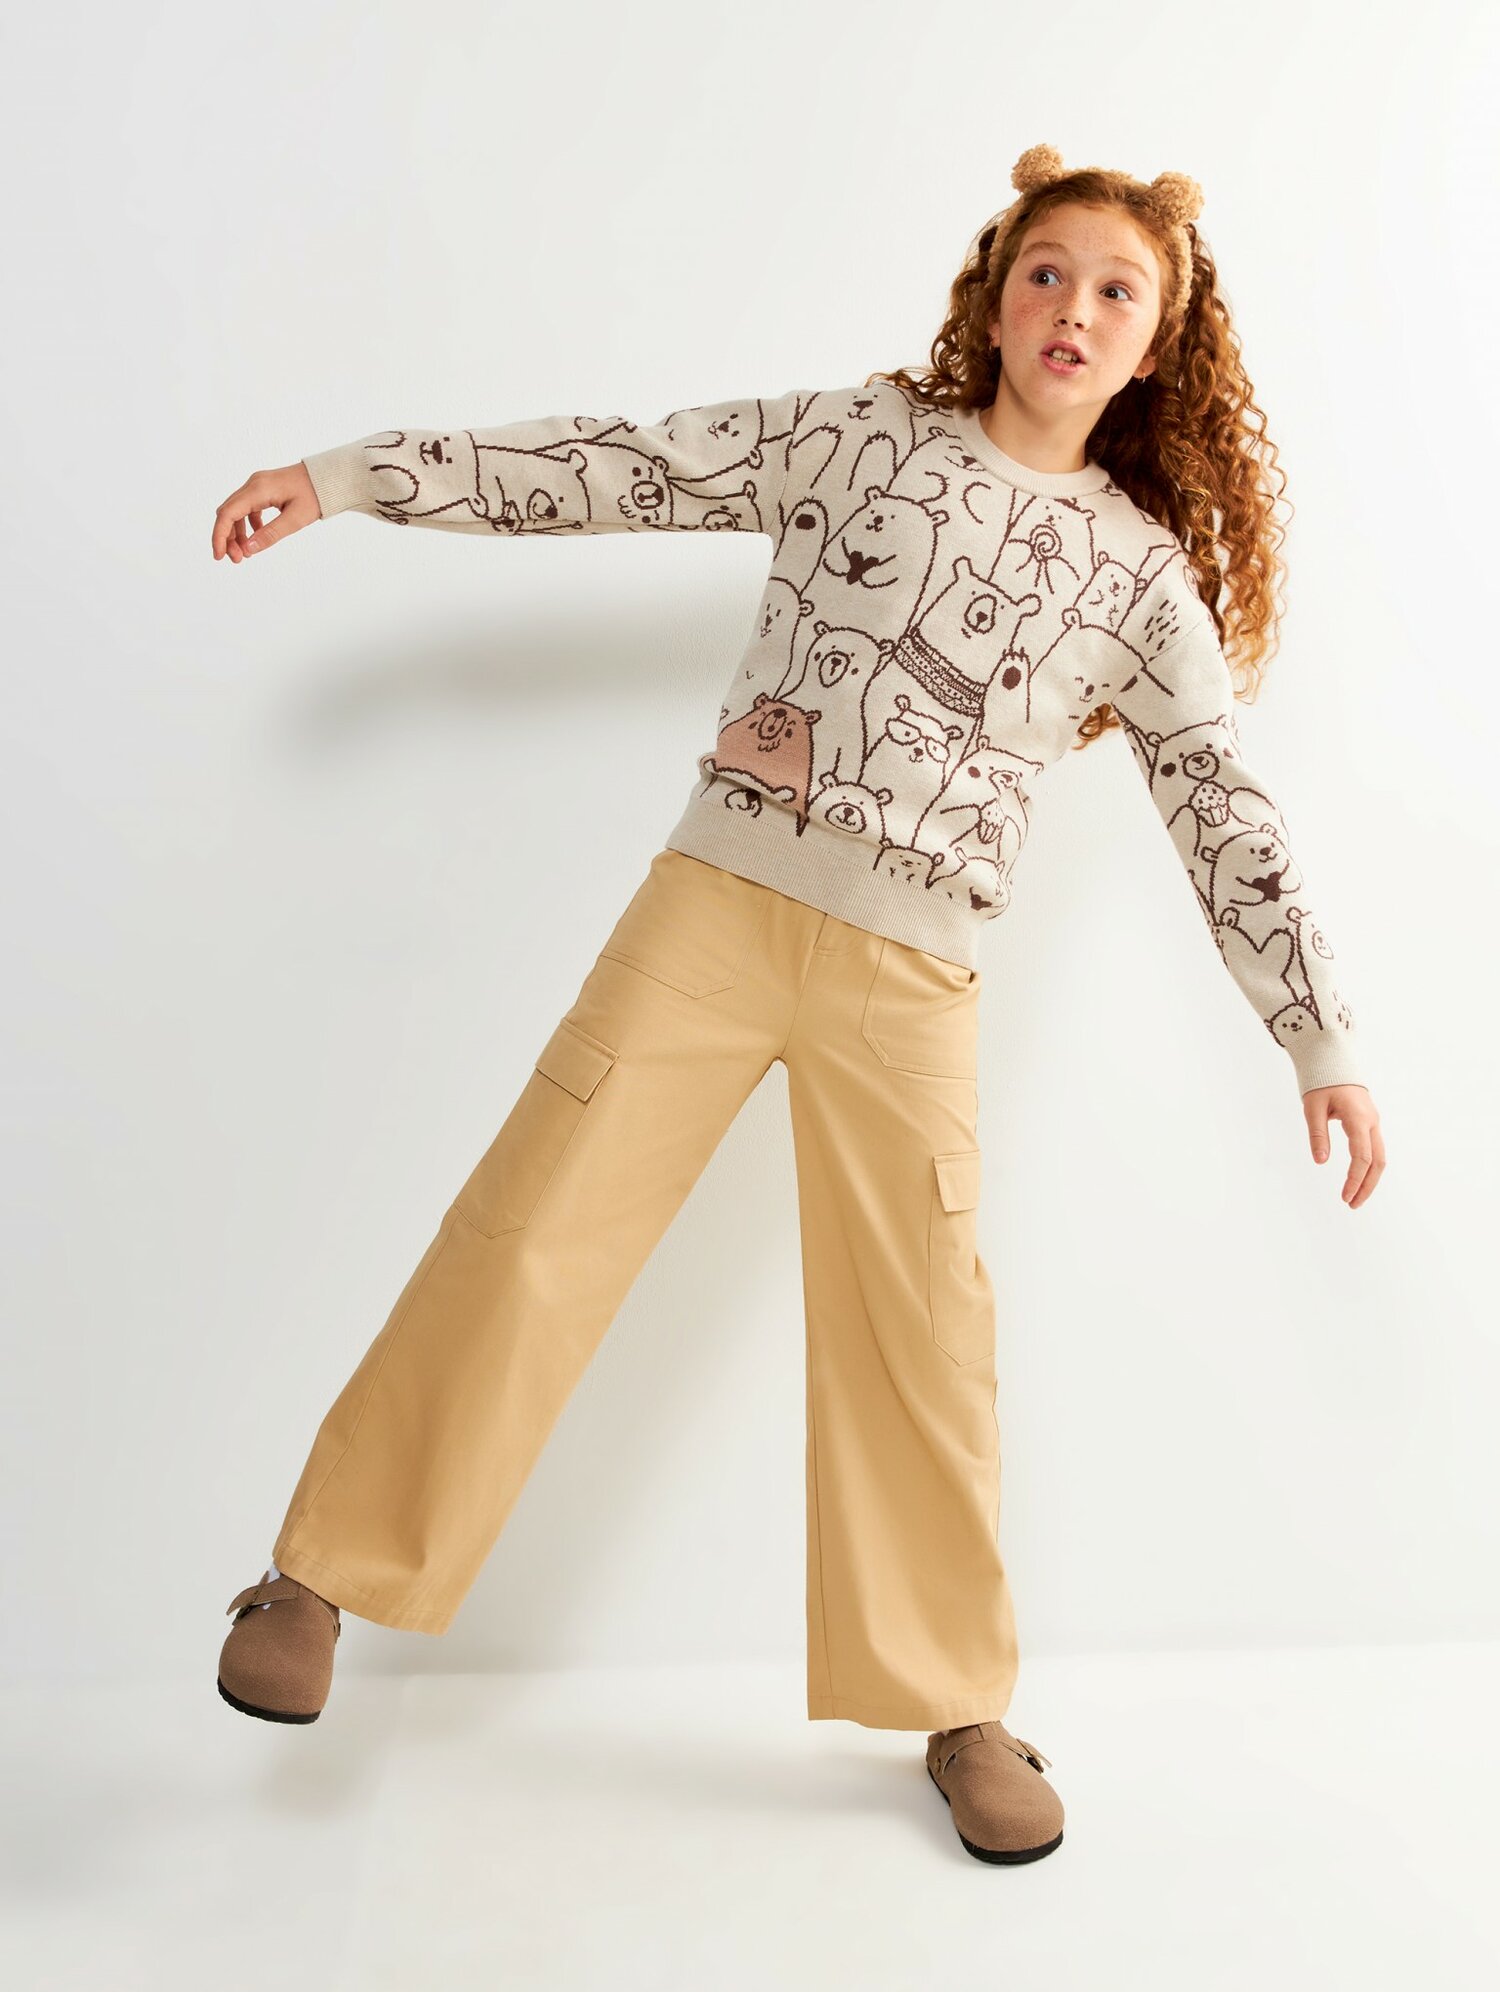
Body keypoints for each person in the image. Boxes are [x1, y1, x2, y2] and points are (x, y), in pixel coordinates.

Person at [207, 141, 1385, 1867]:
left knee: (928, 1334)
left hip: (913, 979)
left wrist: (1318, 1038)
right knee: (533, 1226)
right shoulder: (860, 439)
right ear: (996, 293)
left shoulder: (1140, 580)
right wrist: (351, 478)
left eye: (1116, 293)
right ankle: (314, 1579)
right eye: (1047, 271)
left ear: (1157, 349)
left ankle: (960, 1703)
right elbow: (624, 464)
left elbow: (1221, 804)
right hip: (717, 909)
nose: (1074, 308)